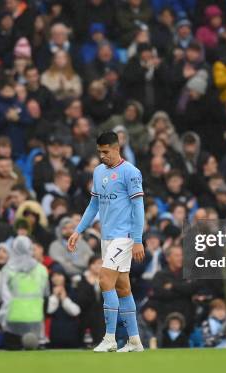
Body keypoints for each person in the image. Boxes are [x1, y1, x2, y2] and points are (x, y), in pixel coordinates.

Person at [68, 132, 146, 352]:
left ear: (116, 148)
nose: (102, 156)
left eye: (106, 151)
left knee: (104, 279)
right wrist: (78, 230)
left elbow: (138, 207)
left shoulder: (130, 172)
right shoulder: (98, 171)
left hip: (124, 236)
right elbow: (94, 205)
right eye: (99, 152)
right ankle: (134, 341)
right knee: (122, 287)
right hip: (107, 237)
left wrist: (137, 239)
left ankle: (110, 338)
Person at [0, 236, 48, 350]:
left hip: (13, 319)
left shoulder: (7, 270)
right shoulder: (41, 269)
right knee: (35, 360)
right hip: (35, 319)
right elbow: (46, 296)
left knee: (12, 359)